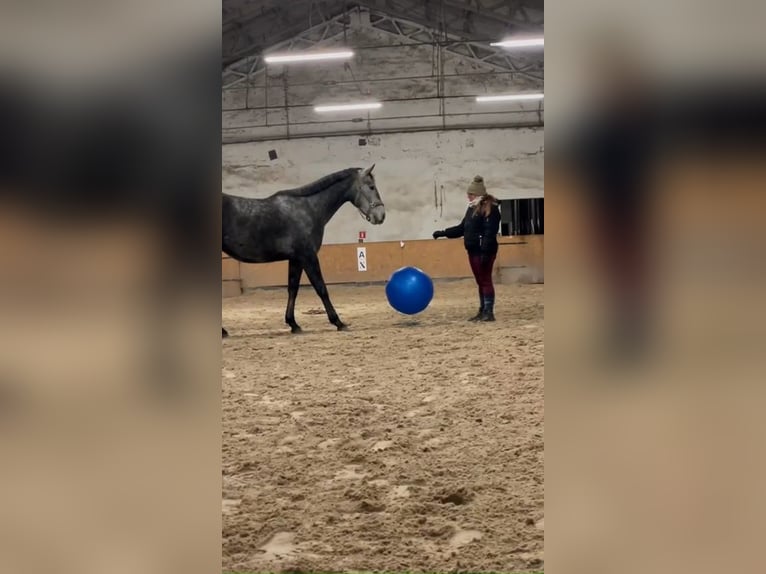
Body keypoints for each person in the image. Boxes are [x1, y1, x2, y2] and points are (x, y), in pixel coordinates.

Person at [432, 175, 501, 322]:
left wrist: (485, 251)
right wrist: (443, 233)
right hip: (473, 250)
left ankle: (489, 312)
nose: (468, 196)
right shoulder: (472, 209)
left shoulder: (490, 209)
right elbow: (462, 228)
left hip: (484, 251)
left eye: (470, 194)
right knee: (480, 281)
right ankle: (483, 310)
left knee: (485, 280)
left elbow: (490, 232)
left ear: (477, 194)